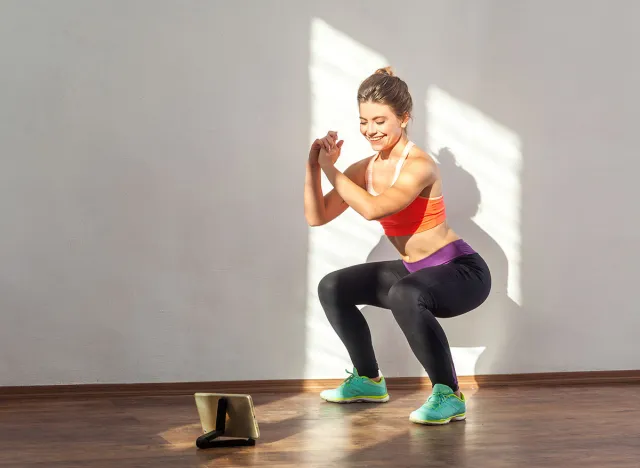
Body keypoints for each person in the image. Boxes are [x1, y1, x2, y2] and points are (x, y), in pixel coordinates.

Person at [303, 67, 492, 425]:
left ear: (403, 119)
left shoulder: (419, 165)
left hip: (463, 273)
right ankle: (368, 381)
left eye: (380, 120)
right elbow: (317, 216)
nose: (370, 130)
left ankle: (449, 394)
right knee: (333, 286)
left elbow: (375, 208)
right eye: (363, 121)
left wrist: (332, 170)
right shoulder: (367, 167)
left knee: (405, 293)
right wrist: (314, 165)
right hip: (414, 270)